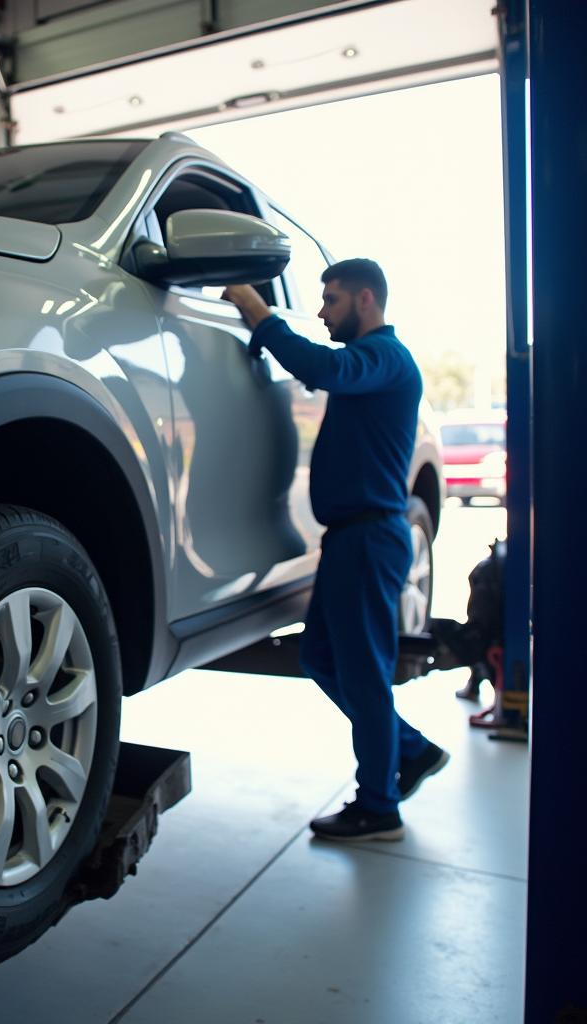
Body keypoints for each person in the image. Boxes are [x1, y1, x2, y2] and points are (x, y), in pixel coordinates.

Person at [223, 259, 449, 842]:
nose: (322, 312)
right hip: (352, 540)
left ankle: (379, 807)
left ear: (365, 300)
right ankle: (411, 750)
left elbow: (323, 368)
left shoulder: (385, 359)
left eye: (331, 301)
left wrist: (258, 312)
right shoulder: (377, 362)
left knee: (365, 675)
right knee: (321, 659)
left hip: (370, 539)